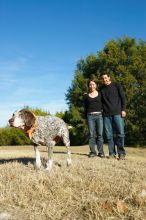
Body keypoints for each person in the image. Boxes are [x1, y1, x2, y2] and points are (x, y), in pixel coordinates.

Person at [100, 72, 126, 160]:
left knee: (121, 134)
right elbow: (96, 97)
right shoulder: (101, 89)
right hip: (106, 115)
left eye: (106, 78)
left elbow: (123, 98)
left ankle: (121, 153)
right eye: (103, 78)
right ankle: (111, 153)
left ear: (109, 77)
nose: (105, 80)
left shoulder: (116, 85)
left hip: (117, 113)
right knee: (109, 136)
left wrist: (123, 110)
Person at [83, 79, 105, 158]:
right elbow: (85, 108)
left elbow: (104, 104)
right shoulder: (86, 95)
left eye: (93, 84)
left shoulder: (100, 94)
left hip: (99, 116)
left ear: (96, 85)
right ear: (89, 86)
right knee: (92, 135)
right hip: (90, 116)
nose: (92, 86)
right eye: (90, 84)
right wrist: (85, 118)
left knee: (100, 134)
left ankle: (101, 152)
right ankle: (92, 152)